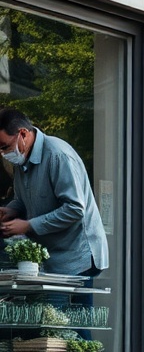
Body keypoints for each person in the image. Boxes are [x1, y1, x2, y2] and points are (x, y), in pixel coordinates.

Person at [0, 108, 108, 276]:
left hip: (77, 257)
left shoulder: (58, 155)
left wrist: (28, 225)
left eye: (5, 146)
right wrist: (11, 210)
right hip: (52, 258)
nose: (4, 153)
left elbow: (75, 209)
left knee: (67, 303)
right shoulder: (21, 159)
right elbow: (22, 199)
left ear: (23, 134)